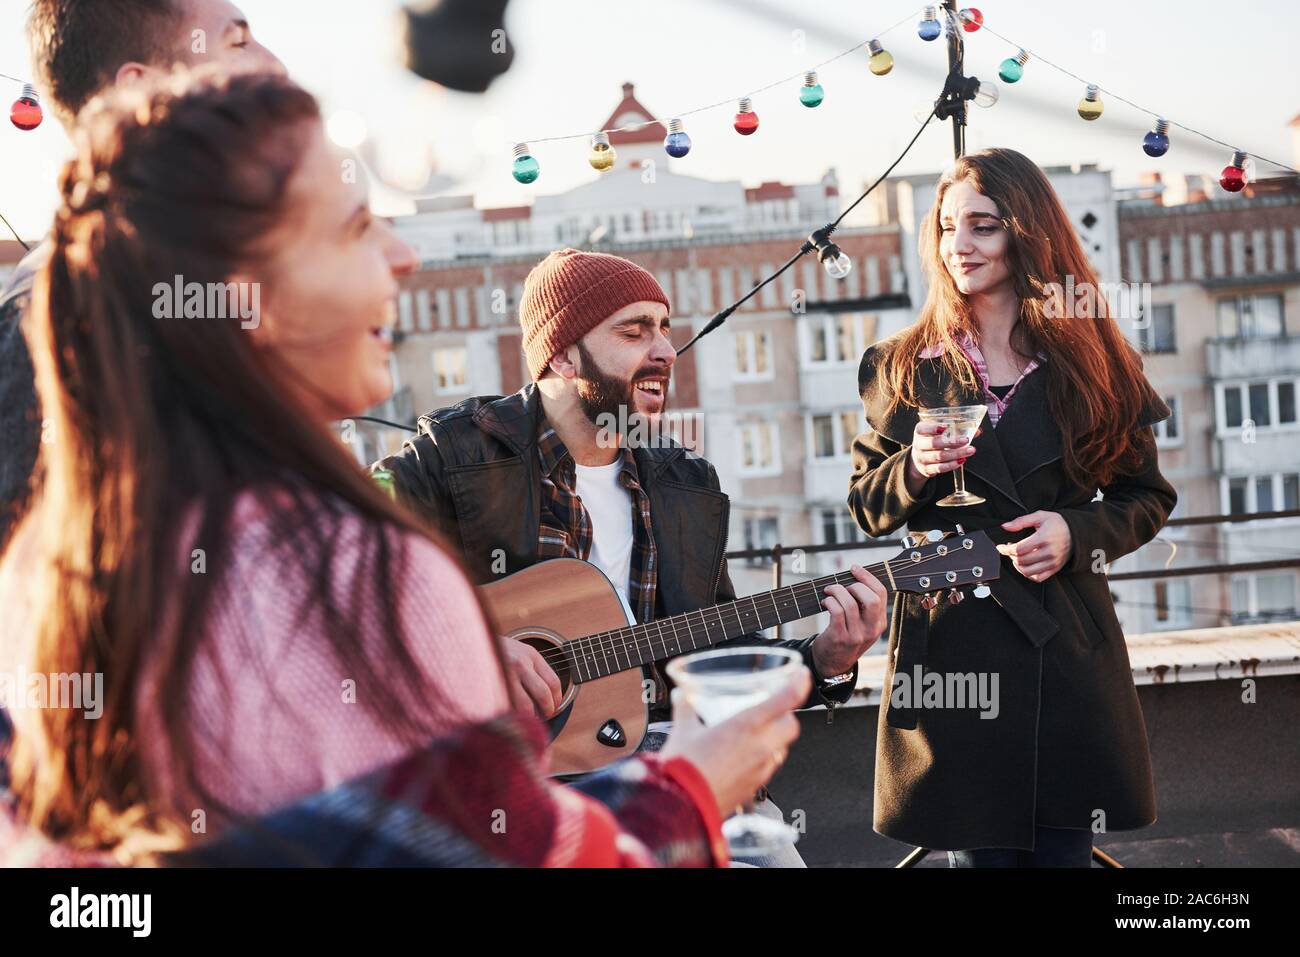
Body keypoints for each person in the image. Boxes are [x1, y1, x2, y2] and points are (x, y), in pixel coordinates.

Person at [0, 66, 807, 867]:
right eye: (356, 229)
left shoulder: (48, 564)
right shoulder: (362, 574)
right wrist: (691, 788)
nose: (404, 254)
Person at [375, 246, 889, 867]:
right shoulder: (457, 453)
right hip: (510, 781)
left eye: (665, 328)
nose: (665, 350)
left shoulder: (686, 483)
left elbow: (719, 649)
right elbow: (344, 564)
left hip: (669, 757)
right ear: (562, 355)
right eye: (634, 330)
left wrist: (827, 660)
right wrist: (471, 642)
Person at [847, 147, 1177, 868]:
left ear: (1027, 233)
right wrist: (914, 468)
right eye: (945, 227)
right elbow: (867, 507)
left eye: (983, 226)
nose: (958, 245)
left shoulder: (1097, 362)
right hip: (952, 642)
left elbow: (1147, 496)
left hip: (1063, 637)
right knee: (981, 854)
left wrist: (1075, 530)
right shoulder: (903, 365)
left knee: (1062, 849)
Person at [1, 0, 283, 549]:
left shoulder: (205, 292)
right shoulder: (56, 318)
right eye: (238, 42)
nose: (276, 67)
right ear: (141, 92)